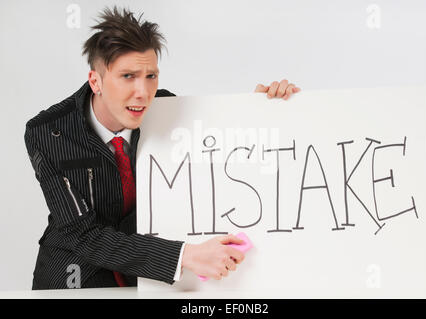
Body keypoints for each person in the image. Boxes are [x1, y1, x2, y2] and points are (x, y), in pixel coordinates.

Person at [24, 6, 301, 289]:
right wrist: (184, 256)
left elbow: (215, 151)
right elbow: (82, 234)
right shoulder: (48, 132)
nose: (143, 93)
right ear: (96, 81)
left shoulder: (166, 108)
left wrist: (260, 112)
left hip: (149, 279)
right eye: (128, 76)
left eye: (151, 76)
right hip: (75, 277)